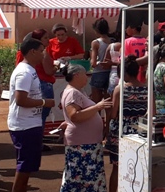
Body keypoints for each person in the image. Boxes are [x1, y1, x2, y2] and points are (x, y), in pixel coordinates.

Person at [9, 38, 54, 192]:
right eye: (41, 51)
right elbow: (21, 100)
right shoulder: (24, 72)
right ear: (32, 52)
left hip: (30, 124)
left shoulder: (29, 69)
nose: (43, 54)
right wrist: (44, 102)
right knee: (24, 167)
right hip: (24, 126)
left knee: (27, 167)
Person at [61, 64, 111, 192]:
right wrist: (97, 107)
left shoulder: (77, 91)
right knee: (81, 179)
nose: (87, 78)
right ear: (77, 75)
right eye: (84, 74)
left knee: (85, 179)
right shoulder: (73, 92)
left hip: (87, 142)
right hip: (82, 144)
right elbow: (74, 116)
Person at [108, 56, 148, 192]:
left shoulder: (120, 89)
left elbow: (113, 114)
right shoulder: (147, 89)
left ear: (124, 73)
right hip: (141, 130)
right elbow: (151, 113)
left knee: (117, 167)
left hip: (121, 130)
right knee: (138, 165)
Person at [90, 19, 115, 102]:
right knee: (108, 101)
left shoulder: (96, 42)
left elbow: (93, 63)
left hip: (98, 72)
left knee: (96, 102)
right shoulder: (113, 41)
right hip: (111, 72)